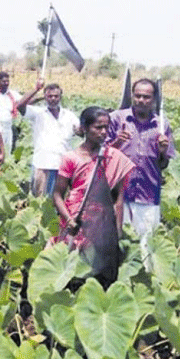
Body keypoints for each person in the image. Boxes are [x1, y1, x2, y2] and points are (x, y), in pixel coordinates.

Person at [51, 106, 135, 288]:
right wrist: (68, 219)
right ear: (85, 127)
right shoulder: (71, 158)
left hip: (102, 223)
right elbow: (57, 194)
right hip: (76, 219)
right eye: (98, 127)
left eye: (106, 127)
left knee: (100, 273)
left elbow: (118, 200)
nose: (103, 132)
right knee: (72, 269)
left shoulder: (114, 158)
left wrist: (117, 231)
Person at [107, 78, 175, 237]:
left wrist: (163, 152)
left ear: (154, 100)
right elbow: (101, 155)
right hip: (118, 194)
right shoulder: (117, 119)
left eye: (146, 97)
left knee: (145, 246)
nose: (141, 100)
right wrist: (117, 142)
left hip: (147, 194)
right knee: (116, 243)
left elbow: (163, 164)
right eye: (137, 96)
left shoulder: (161, 125)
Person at [16, 79, 80, 197]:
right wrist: (36, 89)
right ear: (45, 97)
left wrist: (81, 130)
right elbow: (19, 105)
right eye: (49, 96)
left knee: (60, 200)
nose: (53, 99)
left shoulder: (69, 115)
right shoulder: (38, 113)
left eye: (56, 96)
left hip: (62, 165)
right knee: (40, 201)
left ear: (60, 97)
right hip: (43, 164)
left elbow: (80, 130)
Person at [0, 71, 22, 153]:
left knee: (8, 150)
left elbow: (23, 101)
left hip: (8, 126)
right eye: (3, 81)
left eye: (8, 81)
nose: (6, 83)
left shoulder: (12, 94)